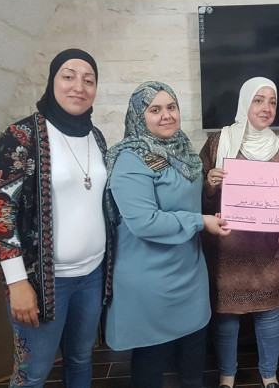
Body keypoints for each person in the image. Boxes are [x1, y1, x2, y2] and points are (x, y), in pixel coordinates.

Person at [0, 48, 113, 387]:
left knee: (80, 359)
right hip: (43, 281)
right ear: (52, 81)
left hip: (91, 275)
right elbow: (0, 213)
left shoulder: (95, 136)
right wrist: (17, 282)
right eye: (68, 76)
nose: (79, 87)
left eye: (89, 80)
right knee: (32, 374)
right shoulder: (21, 136)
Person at [104, 81, 230, 388]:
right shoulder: (130, 159)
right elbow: (145, 222)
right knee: (151, 362)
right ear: (139, 116)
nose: (166, 115)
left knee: (193, 364)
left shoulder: (184, 151)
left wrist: (210, 188)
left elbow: (190, 201)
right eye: (155, 109)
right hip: (149, 280)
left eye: (171, 107)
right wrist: (200, 222)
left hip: (189, 272)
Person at [199, 76, 279, 388]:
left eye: (272, 102)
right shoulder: (219, 143)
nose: (266, 108)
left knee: (269, 313)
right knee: (226, 315)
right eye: (258, 100)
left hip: (269, 250)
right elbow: (197, 201)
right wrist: (209, 185)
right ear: (245, 103)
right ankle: (227, 376)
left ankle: (269, 375)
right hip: (228, 248)